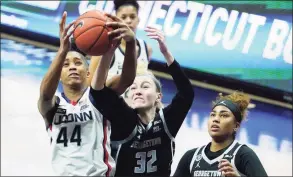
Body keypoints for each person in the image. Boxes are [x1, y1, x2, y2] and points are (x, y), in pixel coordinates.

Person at [37, 11, 137, 176]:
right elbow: (45, 95)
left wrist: (131, 43)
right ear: (58, 76)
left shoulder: (98, 97)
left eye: (78, 63)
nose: (73, 67)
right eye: (66, 65)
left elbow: (127, 79)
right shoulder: (53, 105)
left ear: (88, 73)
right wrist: (63, 51)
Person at [90, 25, 194, 176]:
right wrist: (109, 52)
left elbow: (187, 93)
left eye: (145, 87)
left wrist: (165, 53)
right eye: (133, 88)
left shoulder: (167, 122)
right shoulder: (124, 119)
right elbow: (97, 92)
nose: (138, 91)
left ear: (159, 96)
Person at [174, 92, 268, 177]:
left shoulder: (244, 155)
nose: (216, 119)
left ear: (236, 125)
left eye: (224, 115)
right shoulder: (191, 157)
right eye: (213, 114)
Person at [87, 0, 152, 86]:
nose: (128, 21)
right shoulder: (104, 46)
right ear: (115, 19)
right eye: (123, 17)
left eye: (132, 17)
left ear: (138, 20)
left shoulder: (147, 48)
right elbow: (89, 84)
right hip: (110, 98)